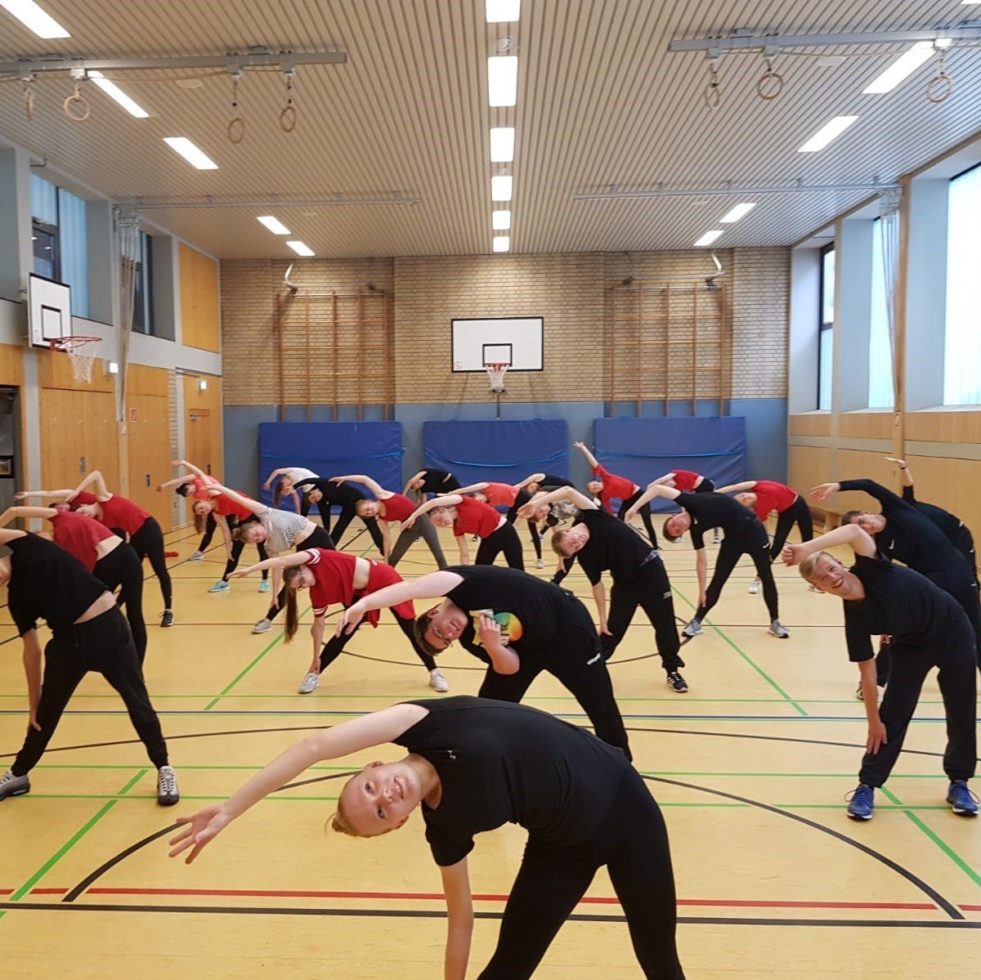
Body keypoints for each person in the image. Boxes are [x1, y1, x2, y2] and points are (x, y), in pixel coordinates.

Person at [169, 696, 685, 979]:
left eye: (370, 787)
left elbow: (314, 746)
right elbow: (461, 919)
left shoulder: (422, 723)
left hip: (625, 807)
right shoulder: (445, 828)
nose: (385, 796)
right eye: (380, 812)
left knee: (659, 960)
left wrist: (232, 808)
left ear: (374, 764)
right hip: (561, 850)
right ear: (398, 823)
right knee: (507, 971)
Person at [783, 523, 977, 820]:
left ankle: (959, 782)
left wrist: (806, 548)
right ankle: (867, 786)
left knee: (961, 706)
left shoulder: (872, 568)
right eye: (822, 578)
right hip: (911, 645)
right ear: (819, 589)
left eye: (832, 568)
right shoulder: (855, 621)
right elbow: (868, 673)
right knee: (891, 717)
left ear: (841, 564)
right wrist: (873, 721)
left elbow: (853, 531)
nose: (832, 577)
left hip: (953, 630)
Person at [336, 565, 632, 758]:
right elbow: (511, 668)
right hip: (527, 651)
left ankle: (622, 764)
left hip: (568, 631)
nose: (448, 634)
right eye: (445, 641)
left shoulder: (463, 584)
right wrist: (493, 646)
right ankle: (485, 763)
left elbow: (412, 586)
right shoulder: (470, 639)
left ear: (434, 613)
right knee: (488, 710)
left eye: (439, 631)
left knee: (600, 704)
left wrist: (364, 604)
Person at [0, 529, 178, 805]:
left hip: (108, 631)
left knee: (137, 702)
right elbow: (31, 651)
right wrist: (34, 704)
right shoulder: (16, 600)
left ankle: (164, 768)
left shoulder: (28, 545)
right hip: (67, 644)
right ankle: (18, 774)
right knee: (45, 714)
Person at [810, 476, 981, 681]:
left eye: (863, 521)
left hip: (958, 570)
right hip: (930, 581)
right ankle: (879, 677)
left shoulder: (895, 508)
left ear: (866, 513)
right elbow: (877, 576)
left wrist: (837, 486)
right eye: (862, 529)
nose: (867, 527)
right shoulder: (880, 546)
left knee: (975, 624)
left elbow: (869, 485)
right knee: (902, 630)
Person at [523, 487, 688, 693]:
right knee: (610, 632)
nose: (578, 543)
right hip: (625, 585)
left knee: (665, 625)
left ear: (567, 531)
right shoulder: (586, 556)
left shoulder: (593, 516)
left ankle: (672, 670)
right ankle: (591, 670)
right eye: (575, 548)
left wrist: (536, 503)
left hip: (652, 573)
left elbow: (568, 492)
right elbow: (597, 586)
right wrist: (602, 620)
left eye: (573, 541)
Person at [230, 548, 449, 695]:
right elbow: (317, 627)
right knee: (342, 633)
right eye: (301, 586)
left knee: (410, 630)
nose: (305, 585)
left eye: (303, 580)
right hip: (361, 594)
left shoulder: (316, 557)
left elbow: (282, 561)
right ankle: (314, 674)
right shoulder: (318, 593)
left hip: (385, 579)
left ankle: (434, 672)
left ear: (304, 567)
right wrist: (315, 658)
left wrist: (250, 569)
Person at [628, 482, 789, 639]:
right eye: (677, 532)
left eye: (672, 525)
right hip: (733, 540)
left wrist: (633, 508)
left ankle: (775, 622)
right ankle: (696, 621)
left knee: (766, 577)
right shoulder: (696, 531)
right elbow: (701, 561)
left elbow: (657, 488)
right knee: (718, 580)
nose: (677, 527)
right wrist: (701, 591)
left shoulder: (688, 501)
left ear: (673, 516)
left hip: (755, 533)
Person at [19, 469, 176, 627]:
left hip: (149, 528)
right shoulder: (91, 520)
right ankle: (115, 608)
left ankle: (168, 611)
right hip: (135, 535)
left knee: (160, 570)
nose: (81, 513)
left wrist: (29, 494)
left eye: (62, 507)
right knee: (130, 576)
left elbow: (95, 475)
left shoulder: (99, 499)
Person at [0, 504, 148, 664]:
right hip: (104, 569)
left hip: (125, 559)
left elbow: (14, 511)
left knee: (134, 613)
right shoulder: (60, 555)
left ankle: (135, 666)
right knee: (102, 616)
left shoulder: (60, 518)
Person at [203, 484, 335, 635]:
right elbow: (276, 568)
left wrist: (219, 488)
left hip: (318, 536)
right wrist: (274, 595)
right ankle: (268, 620)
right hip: (304, 549)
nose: (258, 537)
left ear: (255, 524)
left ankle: (352, 606)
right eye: (256, 540)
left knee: (338, 572)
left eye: (256, 533)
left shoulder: (265, 513)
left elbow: (239, 499)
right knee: (290, 584)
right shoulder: (270, 546)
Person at [715, 478, 813, 594]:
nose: (744, 497)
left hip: (800, 502)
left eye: (741, 495)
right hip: (787, 512)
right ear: (748, 507)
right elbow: (762, 530)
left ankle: (814, 581)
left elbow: (735, 486)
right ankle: (758, 580)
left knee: (809, 543)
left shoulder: (757, 486)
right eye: (743, 501)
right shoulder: (760, 510)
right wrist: (764, 545)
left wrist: (715, 493)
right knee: (776, 547)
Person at [330, 473, 447, 569]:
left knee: (438, 554)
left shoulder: (383, 495)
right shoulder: (382, 518)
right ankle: (385, 580)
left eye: (367, 509)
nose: (369, 512)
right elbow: (387, 538)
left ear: (369, 502)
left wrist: (345, 478)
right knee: (392, 561)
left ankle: (448, 579)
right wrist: (386, 559)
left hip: (421, 520)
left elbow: (365, 479)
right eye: (366, 514)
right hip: (409, 528)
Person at [456, 473, 569, 569]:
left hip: (522, 498)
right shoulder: (489, 503)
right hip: (518, 503)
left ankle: (539, 558)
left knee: (531, 528)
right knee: (517, 525)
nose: (479, 502)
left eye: (543, 515)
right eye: (543, 514)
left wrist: (561, 561)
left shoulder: (489, 488)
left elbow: (557, 534)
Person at [885, 457, 975, 576]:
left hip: (957, 533)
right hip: (937, 541)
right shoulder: (894, 532)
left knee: (967, 570)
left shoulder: (906, 504)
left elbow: (908, 485)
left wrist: (904, 467)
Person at [405, 494, 524, 570]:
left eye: (440, 520)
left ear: (441, 510)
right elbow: (464, 554)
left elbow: (433, 502)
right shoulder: (457, 528)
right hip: (489, 539)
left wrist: (413, 516)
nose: (442, 524)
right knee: (480, 573)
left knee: (518, 569)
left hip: (506, 531)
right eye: (439, 525)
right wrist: (464, 573)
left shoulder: (462, 501)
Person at [573, 441, 659, 545]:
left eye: (594, 484)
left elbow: (593, 463)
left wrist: (583, 448)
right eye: (594, 489)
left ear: (597, 481)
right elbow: (607, 511)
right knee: (619, 521)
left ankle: (655, 546)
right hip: (628, 500)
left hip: (639, 495)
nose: (596, 487)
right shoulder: (603, 495)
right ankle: (623, 542)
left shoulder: (606, 477)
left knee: (647, 522)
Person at [189, 489, 270, 594]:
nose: (203, 510)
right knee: (234, 553)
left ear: (202, 501)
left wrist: (207, 484)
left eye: (201, 508)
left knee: (262, 549)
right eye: (201, 512)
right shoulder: (216, 514)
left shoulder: (215, 493)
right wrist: (228, 549)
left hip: (256, 513)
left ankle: (265, 581)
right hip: (244, 521)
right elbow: (225, 531)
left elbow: (207, 480)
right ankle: (224, 582)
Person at [291, 476, 386, 553]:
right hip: (348, 508)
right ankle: (328, 550)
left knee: (373, 527)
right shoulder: (323, 503)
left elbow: (309, 480)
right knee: (339, 528)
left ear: (312, 491)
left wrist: (294, 487)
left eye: (313, 497)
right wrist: (325, 533)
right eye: (314, 501)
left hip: (360, 501)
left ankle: (384, 550)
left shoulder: (324, 484)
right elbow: (326, 520)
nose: (316, 499)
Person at [159, 459, 223, 560]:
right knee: (209, 531)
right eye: (189, 494)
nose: (191, 493)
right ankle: (199, 552)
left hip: (223, 499)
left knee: (231, 528)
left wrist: (164, 485)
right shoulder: (197, 497)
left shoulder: (196, 478)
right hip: (216, 508)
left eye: (189, 491)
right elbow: (205, 508)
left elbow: (178, 480)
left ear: (188, 485)